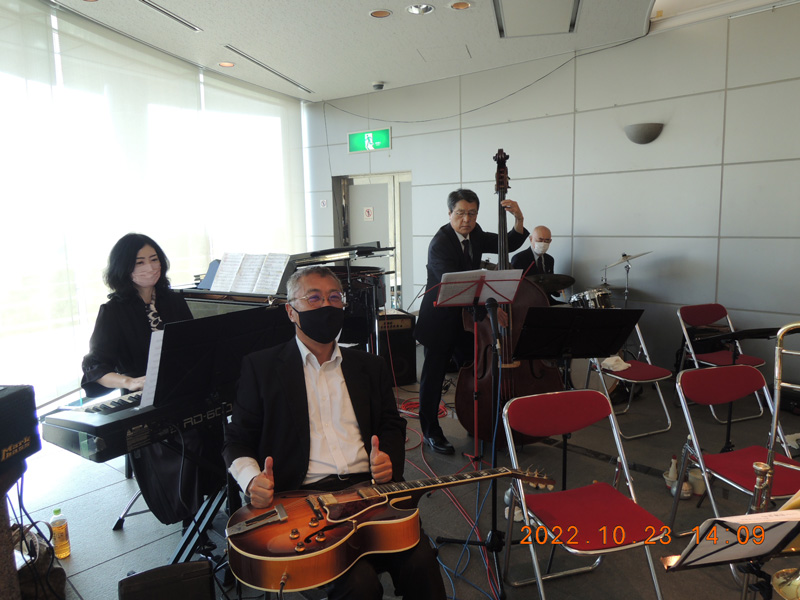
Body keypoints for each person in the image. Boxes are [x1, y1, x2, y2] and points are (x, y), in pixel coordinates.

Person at [223, 266, 446, 600]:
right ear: (291, 311)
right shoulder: (262, 367)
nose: (326, 305)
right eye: (313, 298)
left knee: (421, 561)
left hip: (369, 491)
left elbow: (391, 423)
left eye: (335, 297)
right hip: (304, 500)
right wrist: (252, 479)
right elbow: (237, 438)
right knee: (359, 583)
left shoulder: (369, 365)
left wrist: (388, 460)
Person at [81, 233, 221, 527]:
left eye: (154, 259)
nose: (150, 267)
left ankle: (215, 496)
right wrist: (129, 382)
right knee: (186, 438)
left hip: (182, 388)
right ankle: (186, 510)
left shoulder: (173, 300)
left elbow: (193, 345)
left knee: (218, 425)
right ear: (124, 268)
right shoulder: (113, 311)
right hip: (146, 398)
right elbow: (95, 367)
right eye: (140, 262)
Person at [414, 189, 528, 454]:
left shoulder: (475, 233)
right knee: (433, 378)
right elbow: (455, 287)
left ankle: (472, 420)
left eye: (472, 213)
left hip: (465, 319)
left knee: (474, 371)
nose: (466, 219)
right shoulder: (440, 244)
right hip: (440, 319)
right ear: (450, 213)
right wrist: (488, 307)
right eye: (460, 213)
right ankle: (431, 431)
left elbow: (506, 244)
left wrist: (519, 219)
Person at [511, 225, 563, 304]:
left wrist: (557, 288)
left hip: (546, 300)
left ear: (550, 241)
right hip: (527, 302)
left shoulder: (549, 260)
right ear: (531, 239)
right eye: (540, 240)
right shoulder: (519, 259)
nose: (543, 243)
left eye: (547, 240)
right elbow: (514, 288)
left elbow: (549, 285)